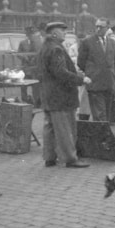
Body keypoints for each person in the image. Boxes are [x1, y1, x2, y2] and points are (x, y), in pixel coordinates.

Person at [38, 21, 91, 168]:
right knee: (65, 129)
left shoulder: (45, 47)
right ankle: (70, 159)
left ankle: (49, 158)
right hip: (60, 95)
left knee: (50, 127)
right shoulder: (56, 49)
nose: (65, 34)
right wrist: (81, 79)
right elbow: (60, 72)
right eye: (62, 31)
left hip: (48, 94)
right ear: (54, 33)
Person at [77, 18, 115, 122]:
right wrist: (92, 72)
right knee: (99, 115)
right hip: (95, 83)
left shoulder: (112, 43)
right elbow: (81, 62)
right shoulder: (87, 42)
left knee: (107, 113)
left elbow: (112, 61)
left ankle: (104, 136)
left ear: (107, 28)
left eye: (101, 27)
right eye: (96, 26)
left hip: (109, 83)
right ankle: (101, 137)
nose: (98, 29)